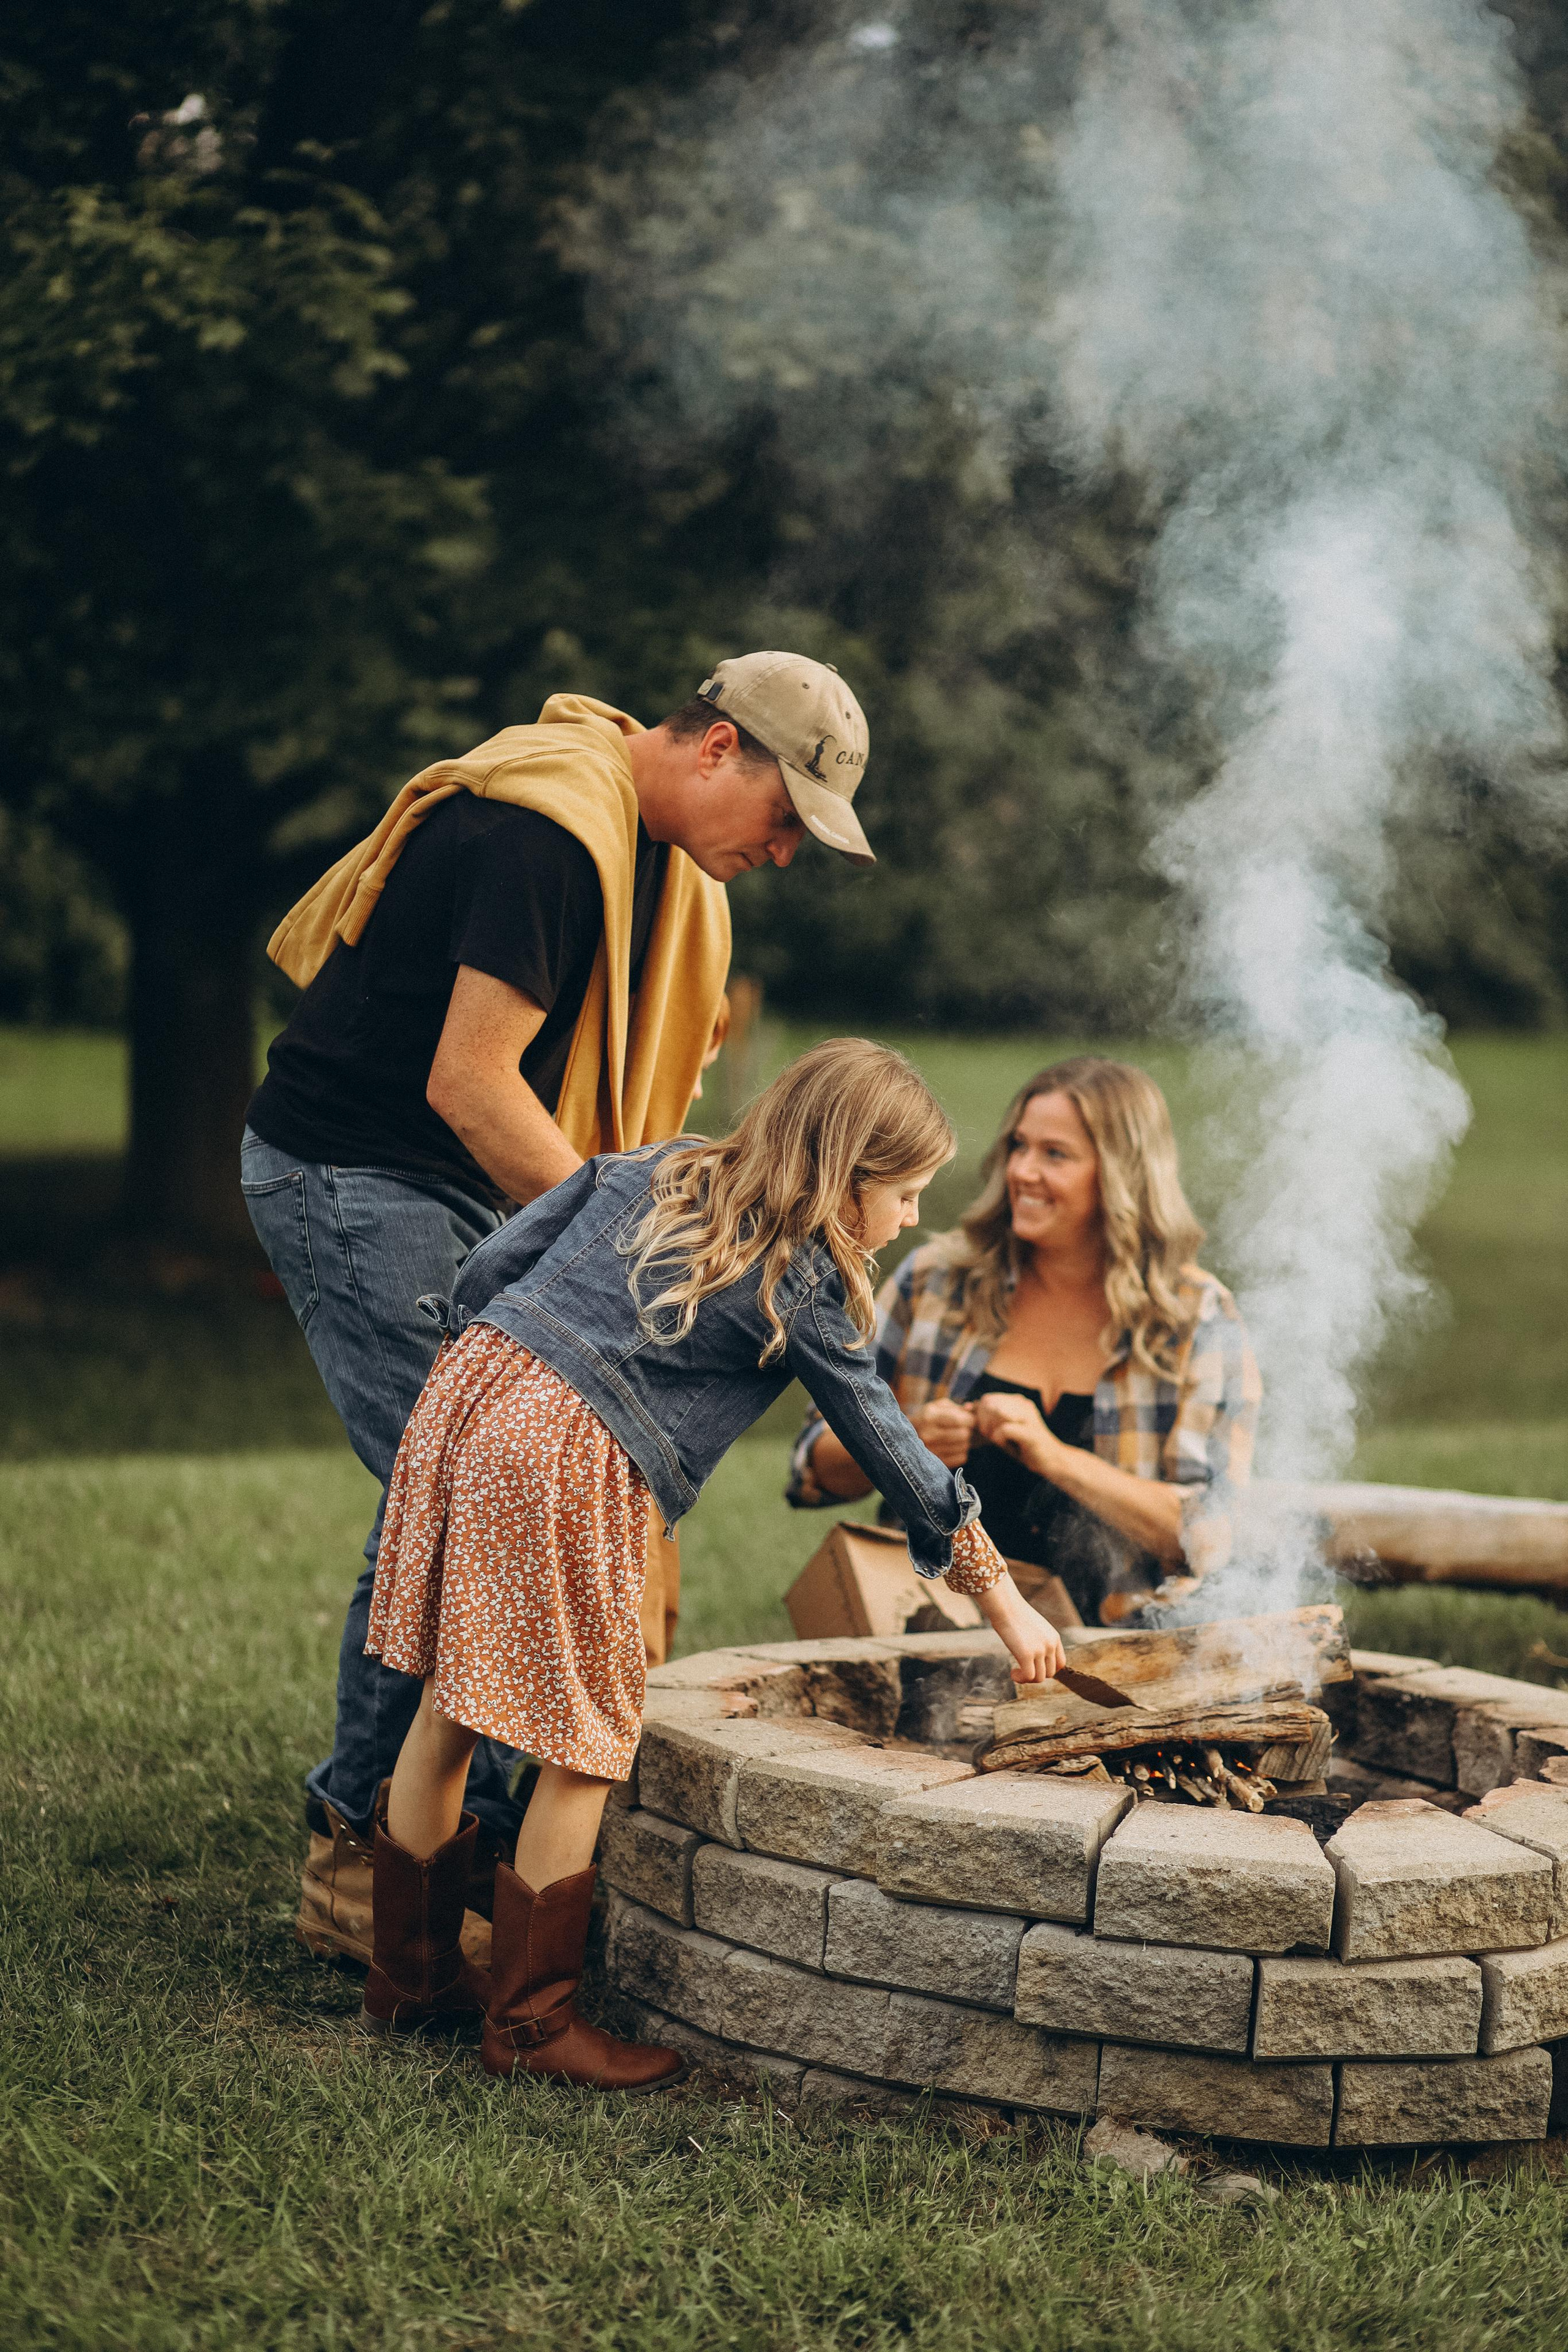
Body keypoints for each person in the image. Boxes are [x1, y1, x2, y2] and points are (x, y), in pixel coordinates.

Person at [241, 652, 875, 1965]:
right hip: (354, 1176)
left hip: (456, 1185)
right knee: (473, 1492)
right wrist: (643, 1239)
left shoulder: (654, 863)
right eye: (781, 819)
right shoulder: (542, 835)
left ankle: (440, 1843)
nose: (779, 856)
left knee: (474, 1489)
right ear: (717, 750)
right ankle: (368, 1866)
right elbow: (472, 1086)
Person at [359, 1040, 1062, 2087]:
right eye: (906, 1194)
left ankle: (409, 1984)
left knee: (453, 1700)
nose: (912, 1218)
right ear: (846, 1177)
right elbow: (897, 1454)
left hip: (472, 1392)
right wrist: (1001, 1596)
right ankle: (533, 2030)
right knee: (586, 1739)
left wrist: (505, 1363)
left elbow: (493, 1266)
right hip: (565, 1449)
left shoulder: (660, 1164)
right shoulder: (803, 1282)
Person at [788, 1056, 1261, 1625]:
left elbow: (1209, 1537)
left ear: (1122, 1175)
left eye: (1055, 1154)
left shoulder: (1197, 1318)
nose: (1021, 1171)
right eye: (1019, 1146)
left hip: (1121, 1650)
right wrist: (906, 1443)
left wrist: (1055, 1457)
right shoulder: (934, 1281)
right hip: (927, 1631)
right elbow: (810, 1469)